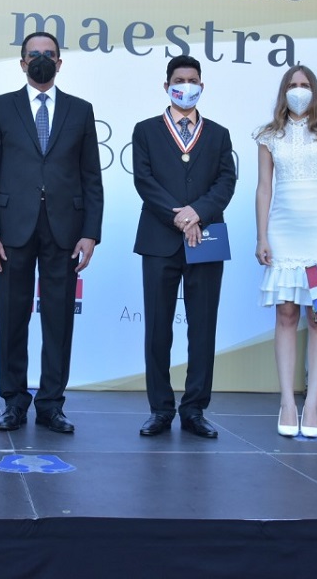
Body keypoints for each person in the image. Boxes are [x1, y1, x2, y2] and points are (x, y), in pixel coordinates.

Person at [0, 32, 104, 434]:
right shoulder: (0, 108)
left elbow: (91, 177)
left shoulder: (80, 111)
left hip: (65, 230)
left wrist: (91, 233)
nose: (42, 60)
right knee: (12, 318)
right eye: (34, 55)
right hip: (12, 229)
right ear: (22, 63)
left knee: (59, 319)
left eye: (49, 55)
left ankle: (51, 403)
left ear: (60, 63)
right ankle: (13, 401)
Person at [131, 56, 237, 438]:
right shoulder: (145, 130)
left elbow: (226, 182)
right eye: (179, 80)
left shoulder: (219, 133)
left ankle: (194, 410)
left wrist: (197, 213)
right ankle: (160, 409)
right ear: (166, 86)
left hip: (206, 239)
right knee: (158, 328)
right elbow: (144, 181)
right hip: (160, 241)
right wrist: (178, 216)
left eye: (193, 80)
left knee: (203, 328)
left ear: (201, 86)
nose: (186, 85)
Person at [254, 64, 317, 439]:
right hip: (283, 229)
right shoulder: (268, 135)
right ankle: (287, 402)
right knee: (287, 313)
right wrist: (262, 236)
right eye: (293, 85)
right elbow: (264, 188)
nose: (299, 90)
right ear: (283, 90)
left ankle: (312, 403)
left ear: (315, 90)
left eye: (305, 84)